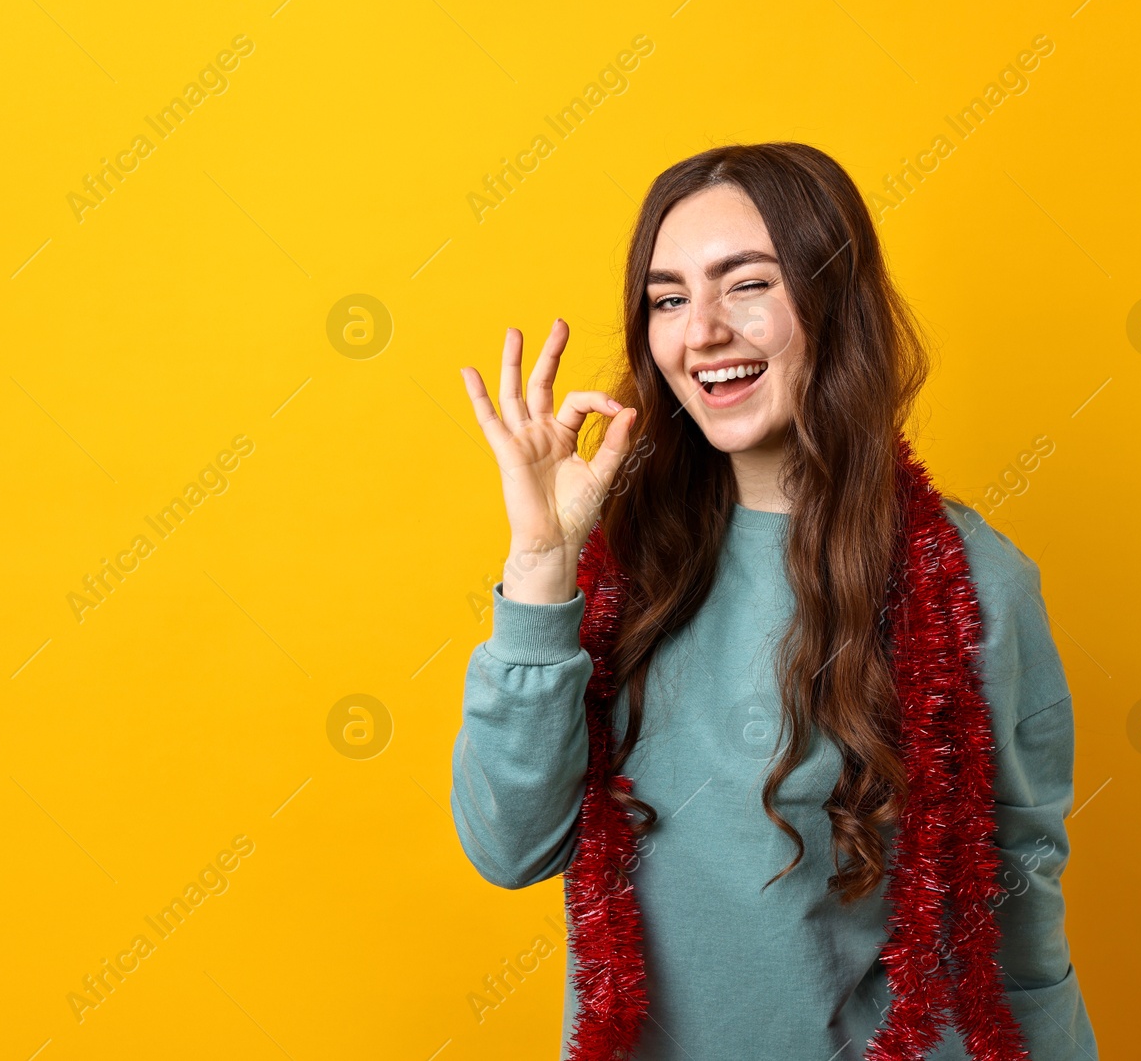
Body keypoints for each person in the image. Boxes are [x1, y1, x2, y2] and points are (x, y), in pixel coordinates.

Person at [451, 142, 1097, 1060]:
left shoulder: (971, 582)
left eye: (745, 284)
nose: (701, 330)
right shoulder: (614, 567)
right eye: (669, 298)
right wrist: (540, 566)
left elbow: (1016, 907)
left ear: (834, 301)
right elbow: (510, 847)